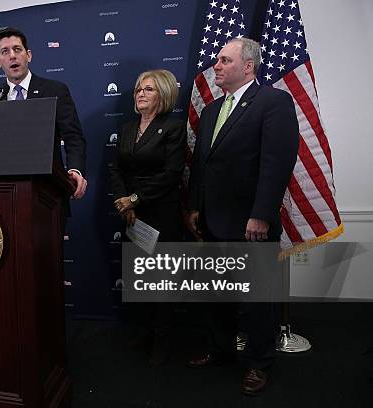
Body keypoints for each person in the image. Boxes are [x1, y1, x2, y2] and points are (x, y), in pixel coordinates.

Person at [186, 38, 299, 395]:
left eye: (224, 61)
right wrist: (194, 207)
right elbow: (203, 165)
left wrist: (262, 214)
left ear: (247, 66)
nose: (216, 66)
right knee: (217, 295)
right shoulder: (210, 111)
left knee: (257, 301)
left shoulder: (274, 103)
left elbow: (276, 163)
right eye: (217, 60)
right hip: (212, 220)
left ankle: (258, 363)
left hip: (251, 223)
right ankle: (220, 350)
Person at [0, 27, 86, 199]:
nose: (12, 56)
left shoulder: (54, 90)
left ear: (28, 55)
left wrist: (74, 170)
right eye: (5, 51)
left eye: (17, 49)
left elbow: (73, 137)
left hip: (49, 193)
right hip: (4, 195)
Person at [110, 69, 186, 365]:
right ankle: (146, 331)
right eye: (138, 89)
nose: (140, 93)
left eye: (149, 89)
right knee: (140, 277)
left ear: (164, 95)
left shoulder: (173, 128)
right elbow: (116, 168)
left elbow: (171, 174)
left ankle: (163, 340)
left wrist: (135, 199)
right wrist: (126, 204)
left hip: (161, 213)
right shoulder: (127, 129)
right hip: (131, 215)